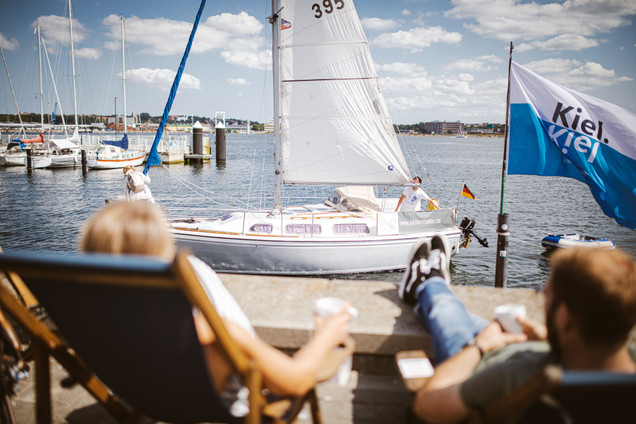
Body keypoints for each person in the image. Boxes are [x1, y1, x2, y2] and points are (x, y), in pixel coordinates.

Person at [79, 201, 352, 417]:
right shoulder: (208, 330)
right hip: (220, 409)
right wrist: (325, 337)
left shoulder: (94, 321)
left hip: (145, 403)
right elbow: (295, 381)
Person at [398, 235, 636, 423]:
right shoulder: (626, 360)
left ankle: (428, 282)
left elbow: (426, 407)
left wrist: (480, 347)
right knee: (463, 315)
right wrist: (546, 337)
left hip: (472, 367)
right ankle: (427, 286)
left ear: (564, 317)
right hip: (546, 347)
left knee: (447, 311)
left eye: (546, 299)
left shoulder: (518, 374)